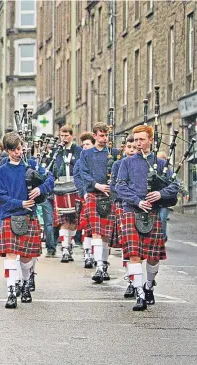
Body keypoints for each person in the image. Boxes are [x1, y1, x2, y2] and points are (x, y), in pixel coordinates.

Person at [116, 125, 179, 311]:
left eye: (142, 139)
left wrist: (160, 194)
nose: (138, 143)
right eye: (136, 140)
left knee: (152, 257)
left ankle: (149, 285)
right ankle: (140, 295)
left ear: (151, 140)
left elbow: (175, 186)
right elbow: (120, 186)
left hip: (153, 212)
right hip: (131, 211)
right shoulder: (126, 163)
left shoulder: (161, 164)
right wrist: (137, 200)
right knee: (134, 255)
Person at [0, 132, 54, 309]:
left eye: (20, 149)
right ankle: (11, 292)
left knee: (27, 259)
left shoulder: (32, 165)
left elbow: (50, 179)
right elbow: (1, 197)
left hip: (29, 216)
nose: (18, 153)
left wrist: (41, 189)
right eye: (14, 150)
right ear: (7, 150)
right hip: (10, 216)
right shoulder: (3, 170)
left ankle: (26, 284)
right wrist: (20, 202)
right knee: (11, 257)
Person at [77, 122, 118, 283]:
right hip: (94, 193)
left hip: (109, 195)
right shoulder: (86, 154)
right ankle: (99, 266)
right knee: (96, 231)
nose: (104, 138)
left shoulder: (114, 153)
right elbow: (84, 173)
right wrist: (97, 185)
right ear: (94, 136)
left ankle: (105, 265)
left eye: (106, 135)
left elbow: (119, 171)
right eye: (101, 135)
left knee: (106, 233)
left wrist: (111, 185)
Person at [110, 135, 137, 298]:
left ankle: (143, 281)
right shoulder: (118, 165)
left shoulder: (144, 163)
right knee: (128, 245)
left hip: (143, 209)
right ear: (124, 148)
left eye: (134, 147)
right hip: (123, 206)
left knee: (143, 249)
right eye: (129, 147)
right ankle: (131, 281)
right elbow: (114, 186)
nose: (132, 150)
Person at [51, 124, 83, 262]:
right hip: (60, 187)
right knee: (63, 219)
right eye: (61, 136)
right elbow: (52, 168)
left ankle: (69, 245)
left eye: (66, 135)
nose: (63, 138)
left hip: (75, 187)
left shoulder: (78, 150)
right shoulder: (57, 151)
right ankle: (64, 249)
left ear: (72, 136)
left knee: (74, 219)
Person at [74, 132, 96, 268]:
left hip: (100, 196)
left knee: (98, 229)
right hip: (86, 197)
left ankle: (97, 257)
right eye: (83, 145)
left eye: (87, 144)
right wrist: (84, 192)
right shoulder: (80, 161)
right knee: (87, 227)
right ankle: (88, 255)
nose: (85, 147)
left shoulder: (99, 159)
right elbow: (77, 177)